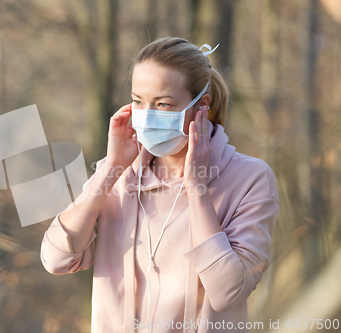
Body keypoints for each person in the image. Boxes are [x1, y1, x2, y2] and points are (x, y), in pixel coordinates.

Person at [40, 37, 280, 333]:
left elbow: (227, 291)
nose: (148, 115)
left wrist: (197, 188)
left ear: (201, 105)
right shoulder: (118, 175)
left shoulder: (250, 179)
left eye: (163, 104)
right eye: (138, 101)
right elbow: (56, 259)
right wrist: (112, 168)